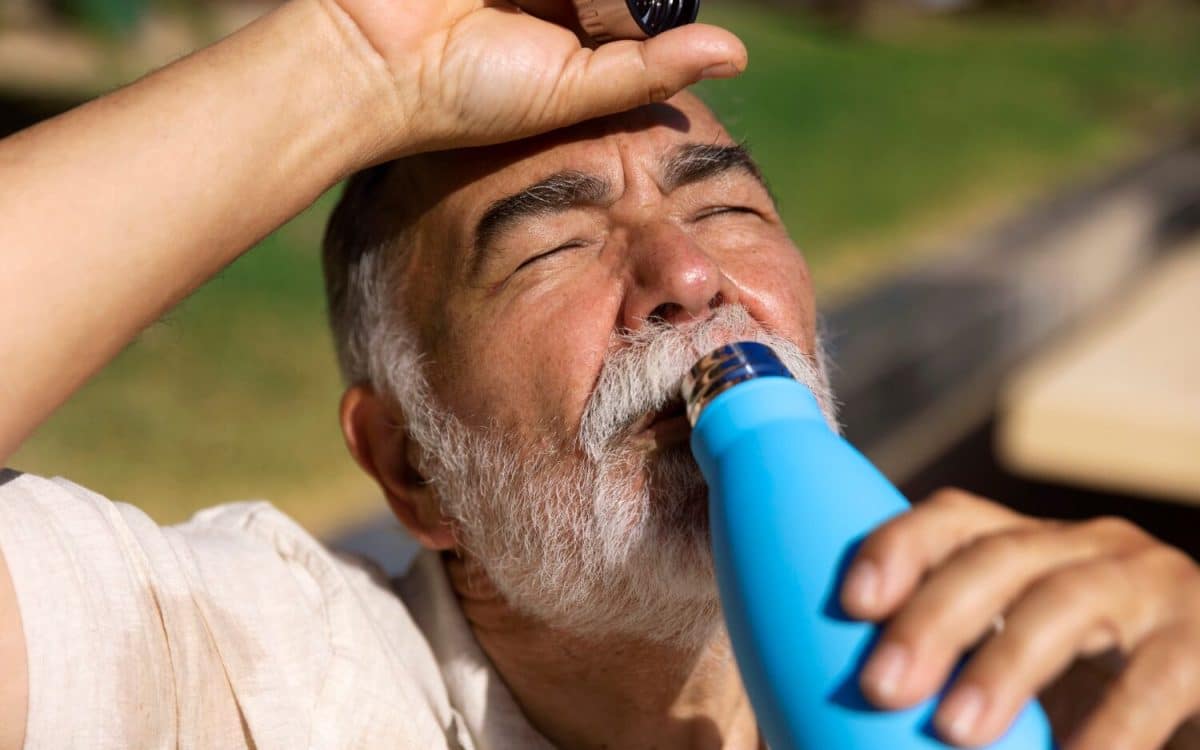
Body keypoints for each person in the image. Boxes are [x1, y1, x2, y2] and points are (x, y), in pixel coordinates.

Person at [1, 1, 1198, 748]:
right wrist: (352, 62)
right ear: (411, 466)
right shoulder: (257, 674)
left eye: (727, 208)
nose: (686, 274)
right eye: (553, 244)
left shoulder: (1035, 667)